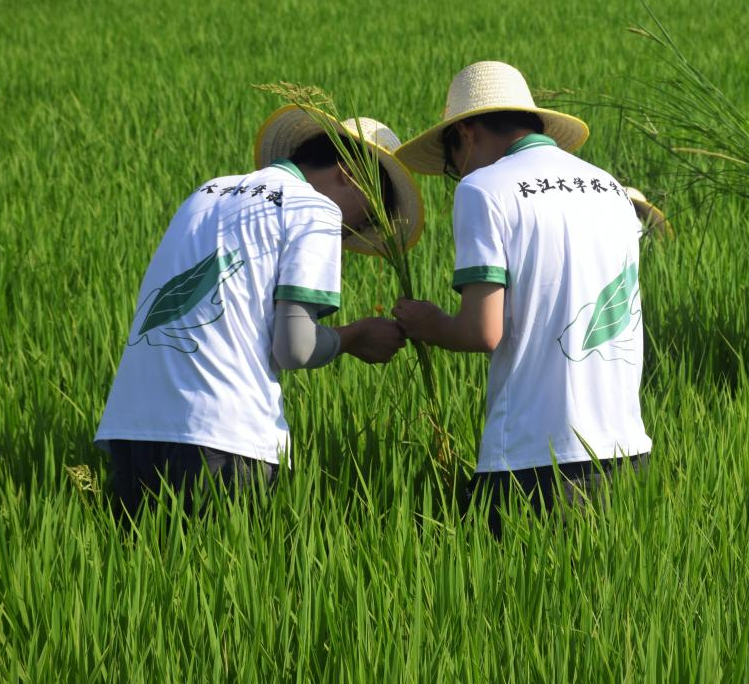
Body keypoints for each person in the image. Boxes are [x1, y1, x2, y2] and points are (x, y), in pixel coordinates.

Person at [94, 109, 423, 522]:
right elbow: (295, 349)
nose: (356, 229)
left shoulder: (206, 192)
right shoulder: (315, 209)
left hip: (131, 431)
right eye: (370, 213)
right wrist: (355, 337)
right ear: (350, 173)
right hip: (223, 438)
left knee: (142, 561)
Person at [393, 61, 651, 537]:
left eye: (450, 161)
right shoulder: (610, 189)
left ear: (465, 133)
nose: (457, 173)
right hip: (626, 451)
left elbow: (482, 331)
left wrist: (427, 323)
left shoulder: (483, 189)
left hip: (535, 459)